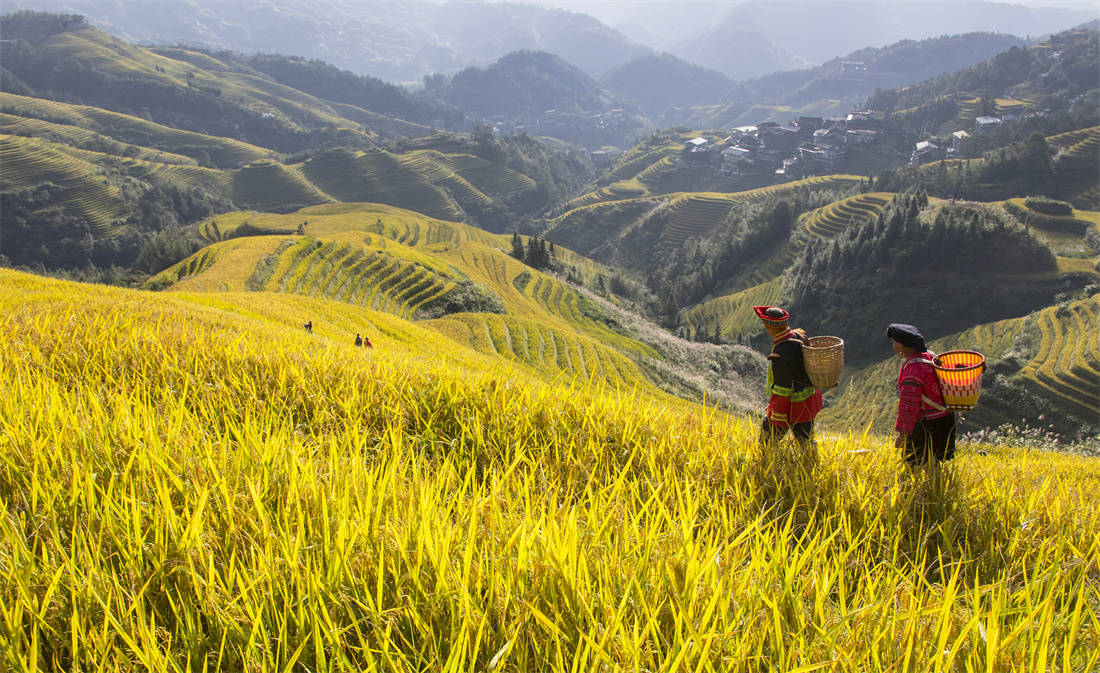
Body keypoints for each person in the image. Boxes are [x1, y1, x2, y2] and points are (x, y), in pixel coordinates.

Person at [754, 306, 823, 450]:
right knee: (806, 439)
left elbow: (782, 389)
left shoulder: (780, 354)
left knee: (767, 439)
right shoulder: (799, 335)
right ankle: (811, 467)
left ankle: (767, 465)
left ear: (769, 326)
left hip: (793, 404)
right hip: (808, 397)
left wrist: (777, 413)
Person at [886, 323, 956, 467]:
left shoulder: (913, 370)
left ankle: (915, 489)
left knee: (914, 464)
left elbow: (909, 406)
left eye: (895, 342)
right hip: (945, 419)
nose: (893, 346)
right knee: (935, 464)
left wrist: (903, 434)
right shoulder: (930, 356)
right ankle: (935, 488)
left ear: (904, 345)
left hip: (927, 425)